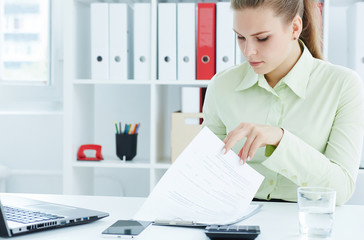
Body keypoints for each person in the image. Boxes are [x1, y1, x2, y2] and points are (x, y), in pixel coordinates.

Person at [202, 0, 364, 205]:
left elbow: (340, 190)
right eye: (241, 37)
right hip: (234, 221)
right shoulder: (222, 84)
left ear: (294, 28)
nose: (248, 51)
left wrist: (280, 139)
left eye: (262, 38)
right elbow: (205, 169)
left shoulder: (342, 85)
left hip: (308, 223)